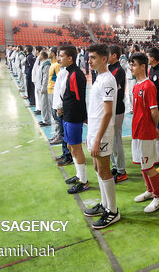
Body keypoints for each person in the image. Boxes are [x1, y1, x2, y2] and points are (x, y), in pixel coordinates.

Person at [82, 44, 121, 229]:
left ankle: (112, 211)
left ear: (104, 59)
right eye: (89, 58)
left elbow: (107, 113)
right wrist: (90, 135)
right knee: (97, 167)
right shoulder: (98, 78)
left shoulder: (107, 80)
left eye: (93, 58)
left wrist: (97, 138)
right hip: (95, 131)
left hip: (103, 133)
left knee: (105, 170)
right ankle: (105, 205)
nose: (89, 61)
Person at [129, 52, 159, 213]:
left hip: (145, 132)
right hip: (136, 131)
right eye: (131, 64)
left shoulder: (148, 86)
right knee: (143, 165)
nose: (131, 67)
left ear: (143, 66)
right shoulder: (136, 85)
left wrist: (153, 127)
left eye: (134, 65)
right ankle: (150, 190)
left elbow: (154, 112)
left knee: (149, 166)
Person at [54, 45, 89, 194]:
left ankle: (84, 181)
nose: (58, 58)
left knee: (76, 147)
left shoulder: (76, 74)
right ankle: (79, 174)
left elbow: (79, 99)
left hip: (74, 116)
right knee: (70, 146)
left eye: (61, 56)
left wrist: (81, 117)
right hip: (67, 115)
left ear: (70, 58)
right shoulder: (67, 73)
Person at [108, 45, 128, 183]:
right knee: (110, 140)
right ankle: (115, 166)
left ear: (114, 55)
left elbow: (117, 92)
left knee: (116, 140)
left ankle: (121, 170)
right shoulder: (109, 69)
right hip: (109, 109)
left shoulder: (119, 71)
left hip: (117, 109)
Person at [38, 50, 53, 127]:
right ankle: (45, 119)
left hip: (45, 88)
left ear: (43, 56)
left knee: (45, 105)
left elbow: (45, 78)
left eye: (40, 55)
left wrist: (43, 88)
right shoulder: (43, 63)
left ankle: (47, 120)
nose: (39, 56)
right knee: (43, 104)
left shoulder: (47, 64)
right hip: (41, 86)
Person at [31, 46, 43, 114]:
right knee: (37, 94)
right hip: (36, 79)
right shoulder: (38, 57)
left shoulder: (40, 58)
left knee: (39, 95)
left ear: (38, 51)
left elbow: (39, 70)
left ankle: (40, 109)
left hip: (38, 80)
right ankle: (39, 108)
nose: (34, 51)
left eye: (35, 50)